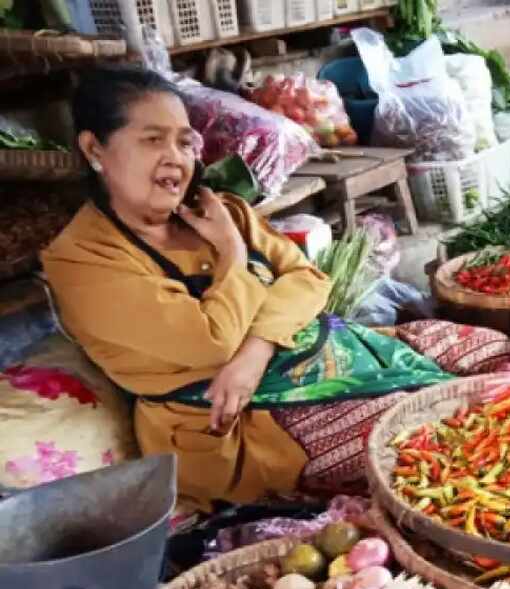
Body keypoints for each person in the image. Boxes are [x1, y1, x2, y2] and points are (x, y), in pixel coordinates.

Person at [42, 67, 449, 510]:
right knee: (440, 428)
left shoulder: (218, 211)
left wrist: (256, 349)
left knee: (490, 353)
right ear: (94, 148)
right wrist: (234, 255)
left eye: (183, 141)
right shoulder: (83, 261)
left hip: (319, 354)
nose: (175, 158)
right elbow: (211, 342)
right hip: (242, 429)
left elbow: (308, 279)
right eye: (152, 140)